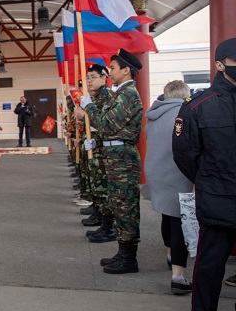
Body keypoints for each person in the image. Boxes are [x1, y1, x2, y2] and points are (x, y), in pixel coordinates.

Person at [173, 37, 236, 311]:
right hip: (217, 199)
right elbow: (184, 153)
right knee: (211, 265)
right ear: (220, 65)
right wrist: (208, 181)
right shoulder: (198, 106)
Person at [76, 48, 143, 274]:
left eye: (113, 68)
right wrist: (96, 142)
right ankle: (123, 252)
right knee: (118, 204)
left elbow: (107, 124)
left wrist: (89, 107)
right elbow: (109, 129)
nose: (110, 71)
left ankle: (129, 257)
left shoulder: (128, 94)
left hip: (123, 157)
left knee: (126, 206)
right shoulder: (121, 93)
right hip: (115, 155)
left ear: (126, 70)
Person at [144, 80, 194, 295]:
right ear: (185, 95)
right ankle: (178, 276)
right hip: (178, 173)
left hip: (156, 172)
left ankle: (170, 253)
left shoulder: (154, 114)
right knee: (180, 222)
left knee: (167, 215)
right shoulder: (184, 114)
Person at [78, 64, 114, 241]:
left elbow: (104, 123)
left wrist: (86, 113)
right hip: (96, 145)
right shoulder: (96, 97)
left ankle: (108, 227)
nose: (89, 81)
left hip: (104, 148)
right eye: (88, 78)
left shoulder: (107, 97)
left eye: (93, 77)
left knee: (103, 187)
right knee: (97, 184)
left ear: (104, 78)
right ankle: (100, 216)